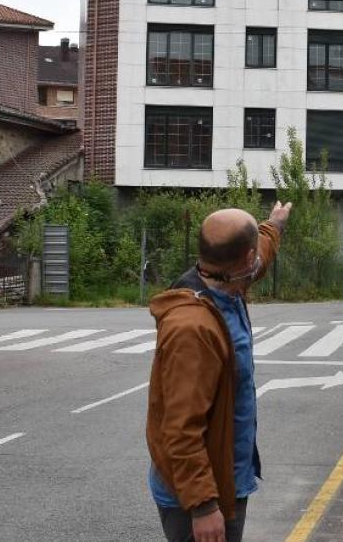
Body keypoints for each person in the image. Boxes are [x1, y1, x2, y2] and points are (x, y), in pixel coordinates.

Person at [146, 202, 292, 542]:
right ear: (245, 259)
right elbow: (180, 428)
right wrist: (202, 506)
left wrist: (274, 225)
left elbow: (260, 256)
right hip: (197, 495)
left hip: (226, 478)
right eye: (253, 255)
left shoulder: (225, 282)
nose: (256, 263)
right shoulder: (191, 329)